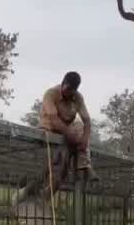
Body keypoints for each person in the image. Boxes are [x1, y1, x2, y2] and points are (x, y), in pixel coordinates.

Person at [13, 71, 94, 208]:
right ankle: (26, 192)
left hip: (66, 137)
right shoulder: (50, 94)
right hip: (48, 133)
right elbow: (54, 120)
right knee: (49, 165)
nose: (69, 94)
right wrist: (70, 133)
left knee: (62, 169)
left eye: (72, 91)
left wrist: (84, 139)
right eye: (67, 90)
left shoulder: (77, 97)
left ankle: (84, 164)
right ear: (63, 84)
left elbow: (87, 121)